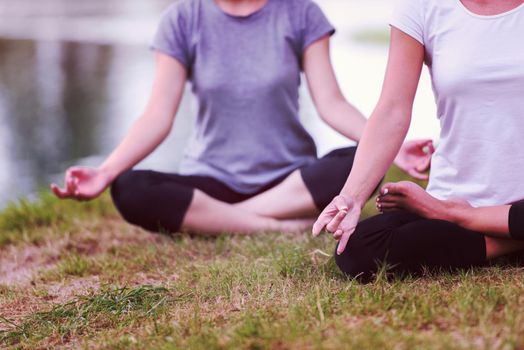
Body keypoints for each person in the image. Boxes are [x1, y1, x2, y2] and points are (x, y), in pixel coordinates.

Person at [51, 0, 431, 236]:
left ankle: (217, 221)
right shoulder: (182, 19)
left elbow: (331, 103)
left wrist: (390, 148)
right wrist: (106, 171)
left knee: (360, 163)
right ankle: (275, 227)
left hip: (290, 180)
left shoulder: (300, 12)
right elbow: (157, 116)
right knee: (130, 188)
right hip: (212, 179)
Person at [313, 0, 524, 280]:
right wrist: (351, 196)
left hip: (464, 210)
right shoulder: (421, 6)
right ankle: (509, 238)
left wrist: (452, 215)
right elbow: (393, 109)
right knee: (358, 248)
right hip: (456, 194)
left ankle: (461, 217)